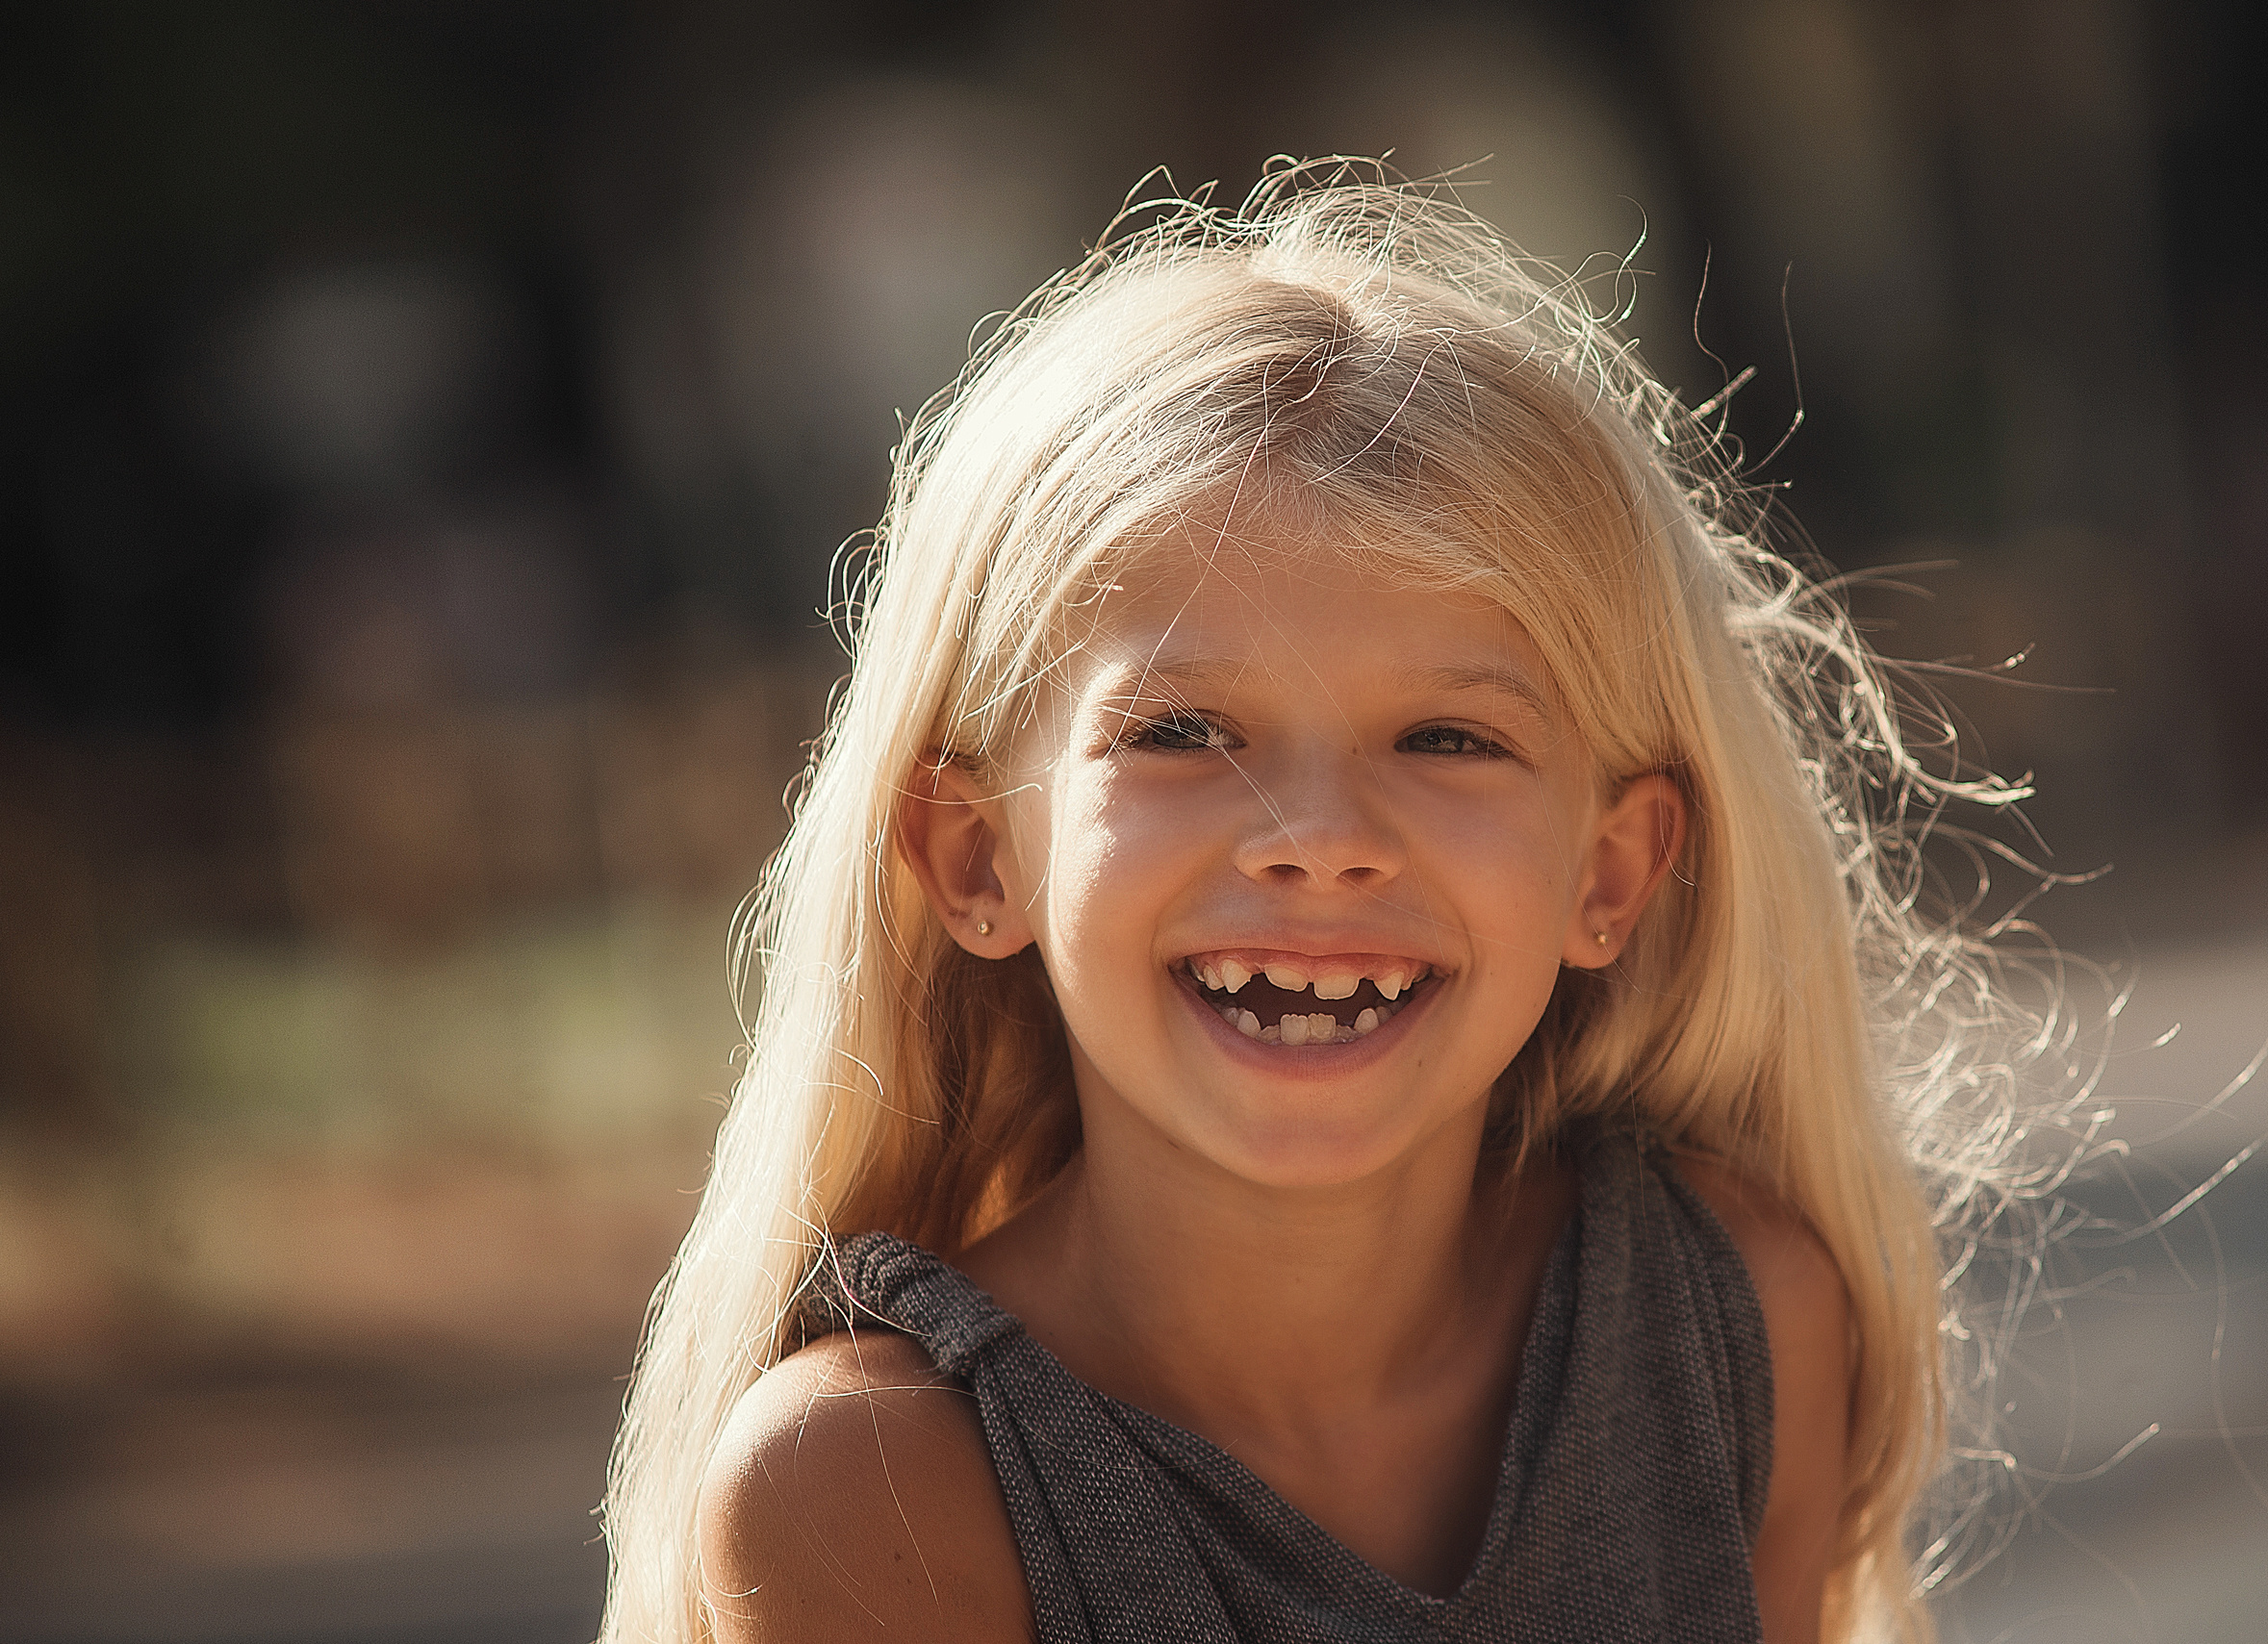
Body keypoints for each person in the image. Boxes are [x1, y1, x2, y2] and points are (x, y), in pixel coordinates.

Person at [599, 163, 2052, 1644]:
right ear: (975, 858)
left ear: (1611, 872)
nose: (1320, 843)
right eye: (1181, 732)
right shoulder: (874, 1482)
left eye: (1448, 738)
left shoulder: (1730, 1321)